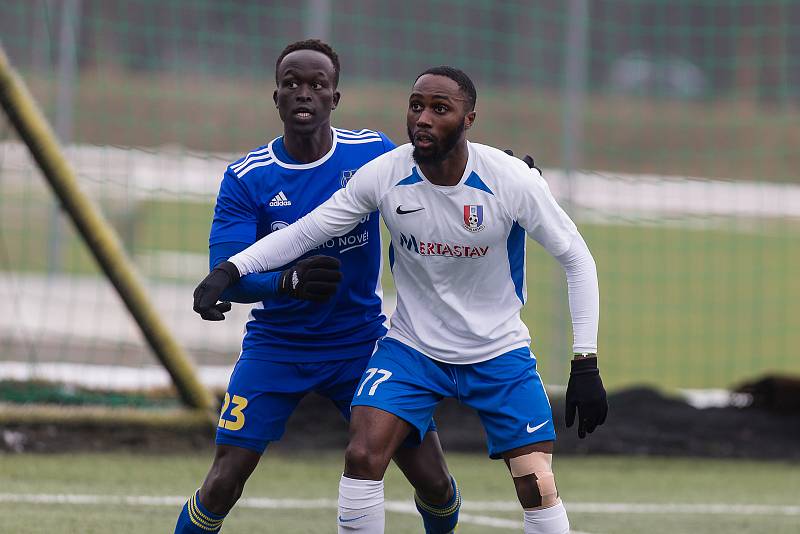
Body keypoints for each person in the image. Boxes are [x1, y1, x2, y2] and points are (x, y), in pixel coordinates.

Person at [194, 65, 603, 534]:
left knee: (536, 484)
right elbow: (309, 230)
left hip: (498, 351)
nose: (423, 118)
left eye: (440, 109)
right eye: (416, 107)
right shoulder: (386, 173)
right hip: (412, 350)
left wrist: (585, 363)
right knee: (362, 454)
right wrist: (231, 270)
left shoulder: (512, 180)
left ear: (468, 120)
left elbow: (578, 259)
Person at [175, 41, 463, 534]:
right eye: (291, 84)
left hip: (362, 345)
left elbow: (442, 179)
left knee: (433, 481)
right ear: (276, 98)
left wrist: (508, 176)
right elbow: (227, 276)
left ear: (335, 97)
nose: (303, 93)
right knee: (223, 481)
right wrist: (287, 283)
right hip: (276, 347)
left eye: (316, 85)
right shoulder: (247, 178)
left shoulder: (371, 153)